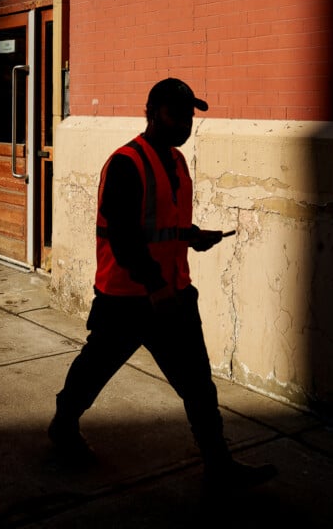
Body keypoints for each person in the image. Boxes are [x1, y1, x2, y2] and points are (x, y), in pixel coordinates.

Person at [48, 77, 277, 491]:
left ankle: (219, 466)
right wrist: (155, 286)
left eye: (190, 115)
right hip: (128, 298)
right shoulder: (126, 163)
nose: (186, 123)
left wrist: (193, 235)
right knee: (95, 369)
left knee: (198, 385)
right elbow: (122, 235)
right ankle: (63, 426)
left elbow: (160, 224)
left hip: (173, 294)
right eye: (177, 114)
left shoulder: (175, 162)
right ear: (151, 113)